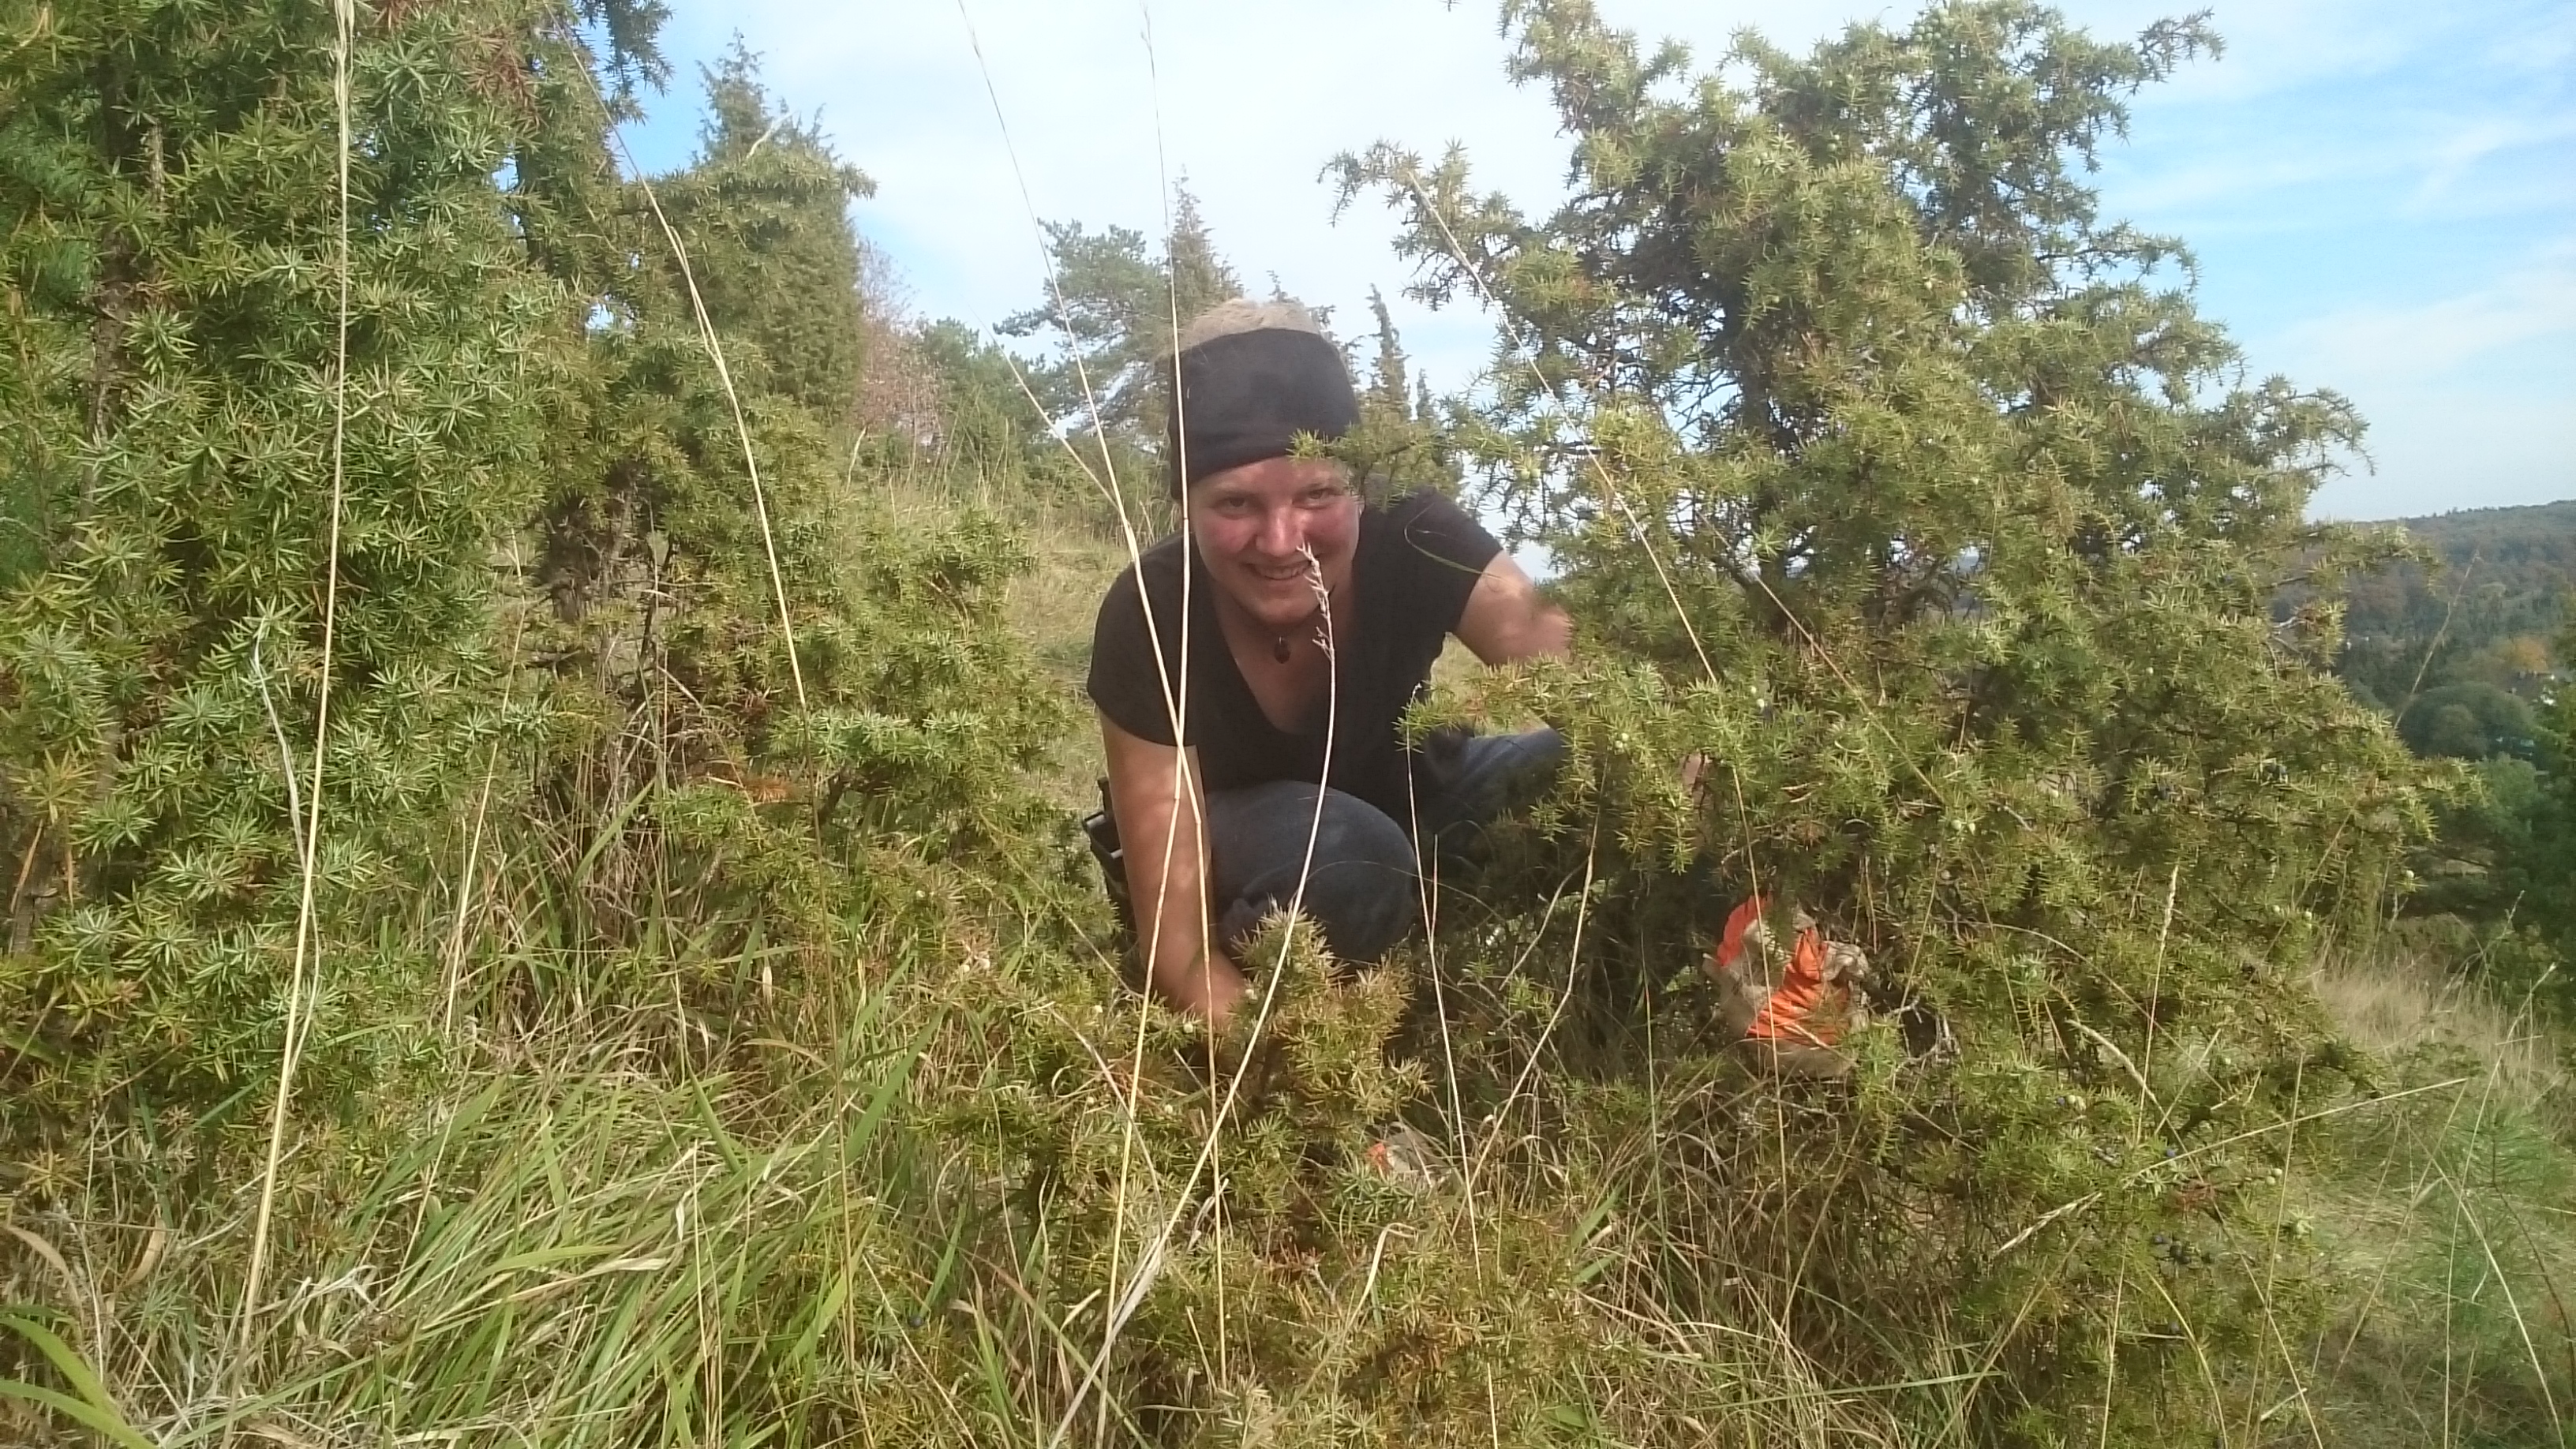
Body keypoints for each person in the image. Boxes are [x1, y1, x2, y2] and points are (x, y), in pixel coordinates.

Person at [1085, 299, 1571, 1032]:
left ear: (1360, 485)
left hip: (1425, 807)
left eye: (1318, 493)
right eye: (1236, 502)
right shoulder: (1151, 610)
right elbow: (1176, 947)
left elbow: (1617, 708)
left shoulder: (1420, 536)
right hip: (1254, 853)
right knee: (1354, 863)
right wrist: (1298, 1070)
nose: (1281, 540)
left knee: (1598, 774)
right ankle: (1342, 977)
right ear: (1185, 503)